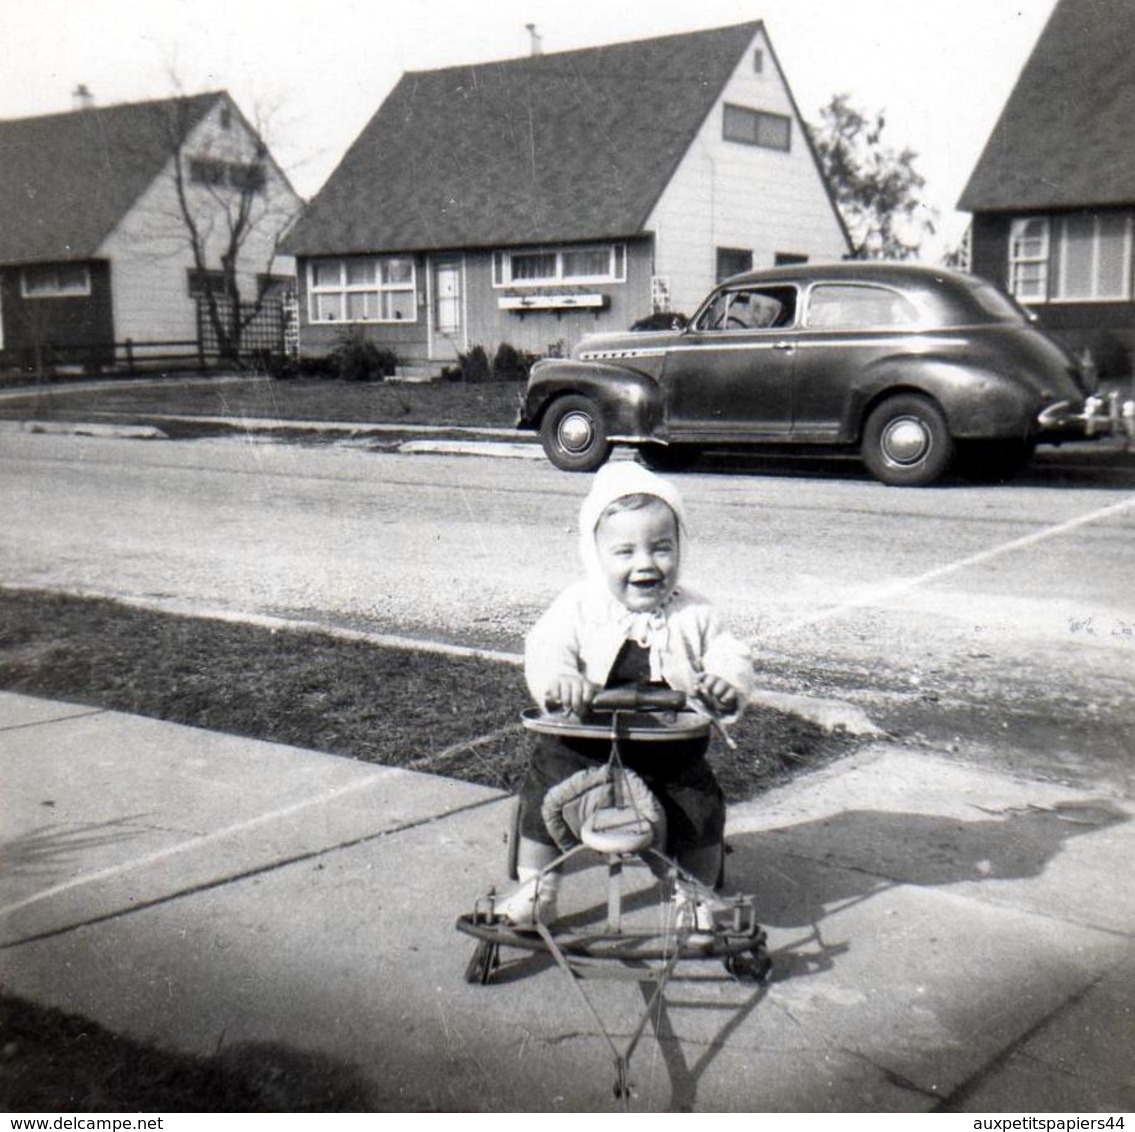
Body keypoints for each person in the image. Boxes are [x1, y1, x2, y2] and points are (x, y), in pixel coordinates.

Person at [496, 462, 754, 937]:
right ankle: (538, 886)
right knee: (542, 789)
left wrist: (723, 678)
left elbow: (728, 649)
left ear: (680, 548)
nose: (646, 563)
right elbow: (545, 645)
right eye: (624, 551)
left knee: (698, 806)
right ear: (595, 556)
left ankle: (694, 891)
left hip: (670, 749)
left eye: (661, 548)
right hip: (583, 743)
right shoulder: (579, 605)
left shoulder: (694, 611)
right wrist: (561, 677)